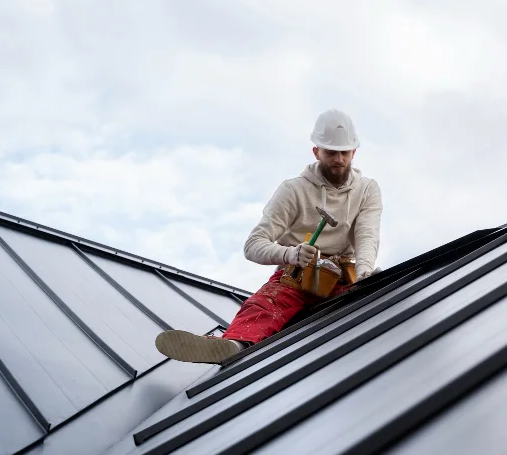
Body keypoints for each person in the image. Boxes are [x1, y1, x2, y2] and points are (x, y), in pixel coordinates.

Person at [155, 108, 382, 364]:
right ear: (316, 151)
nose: (338, 159)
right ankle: (232, 346)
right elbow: (253, 245)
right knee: (265, 307)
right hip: (296, 278)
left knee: (371, 306)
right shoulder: (293, 190)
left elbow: (367, 235)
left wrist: (365, 272)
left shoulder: (367, 190)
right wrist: (291, 253)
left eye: (344, 152)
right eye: (331, 152)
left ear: (354, 152)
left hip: (341, 280)